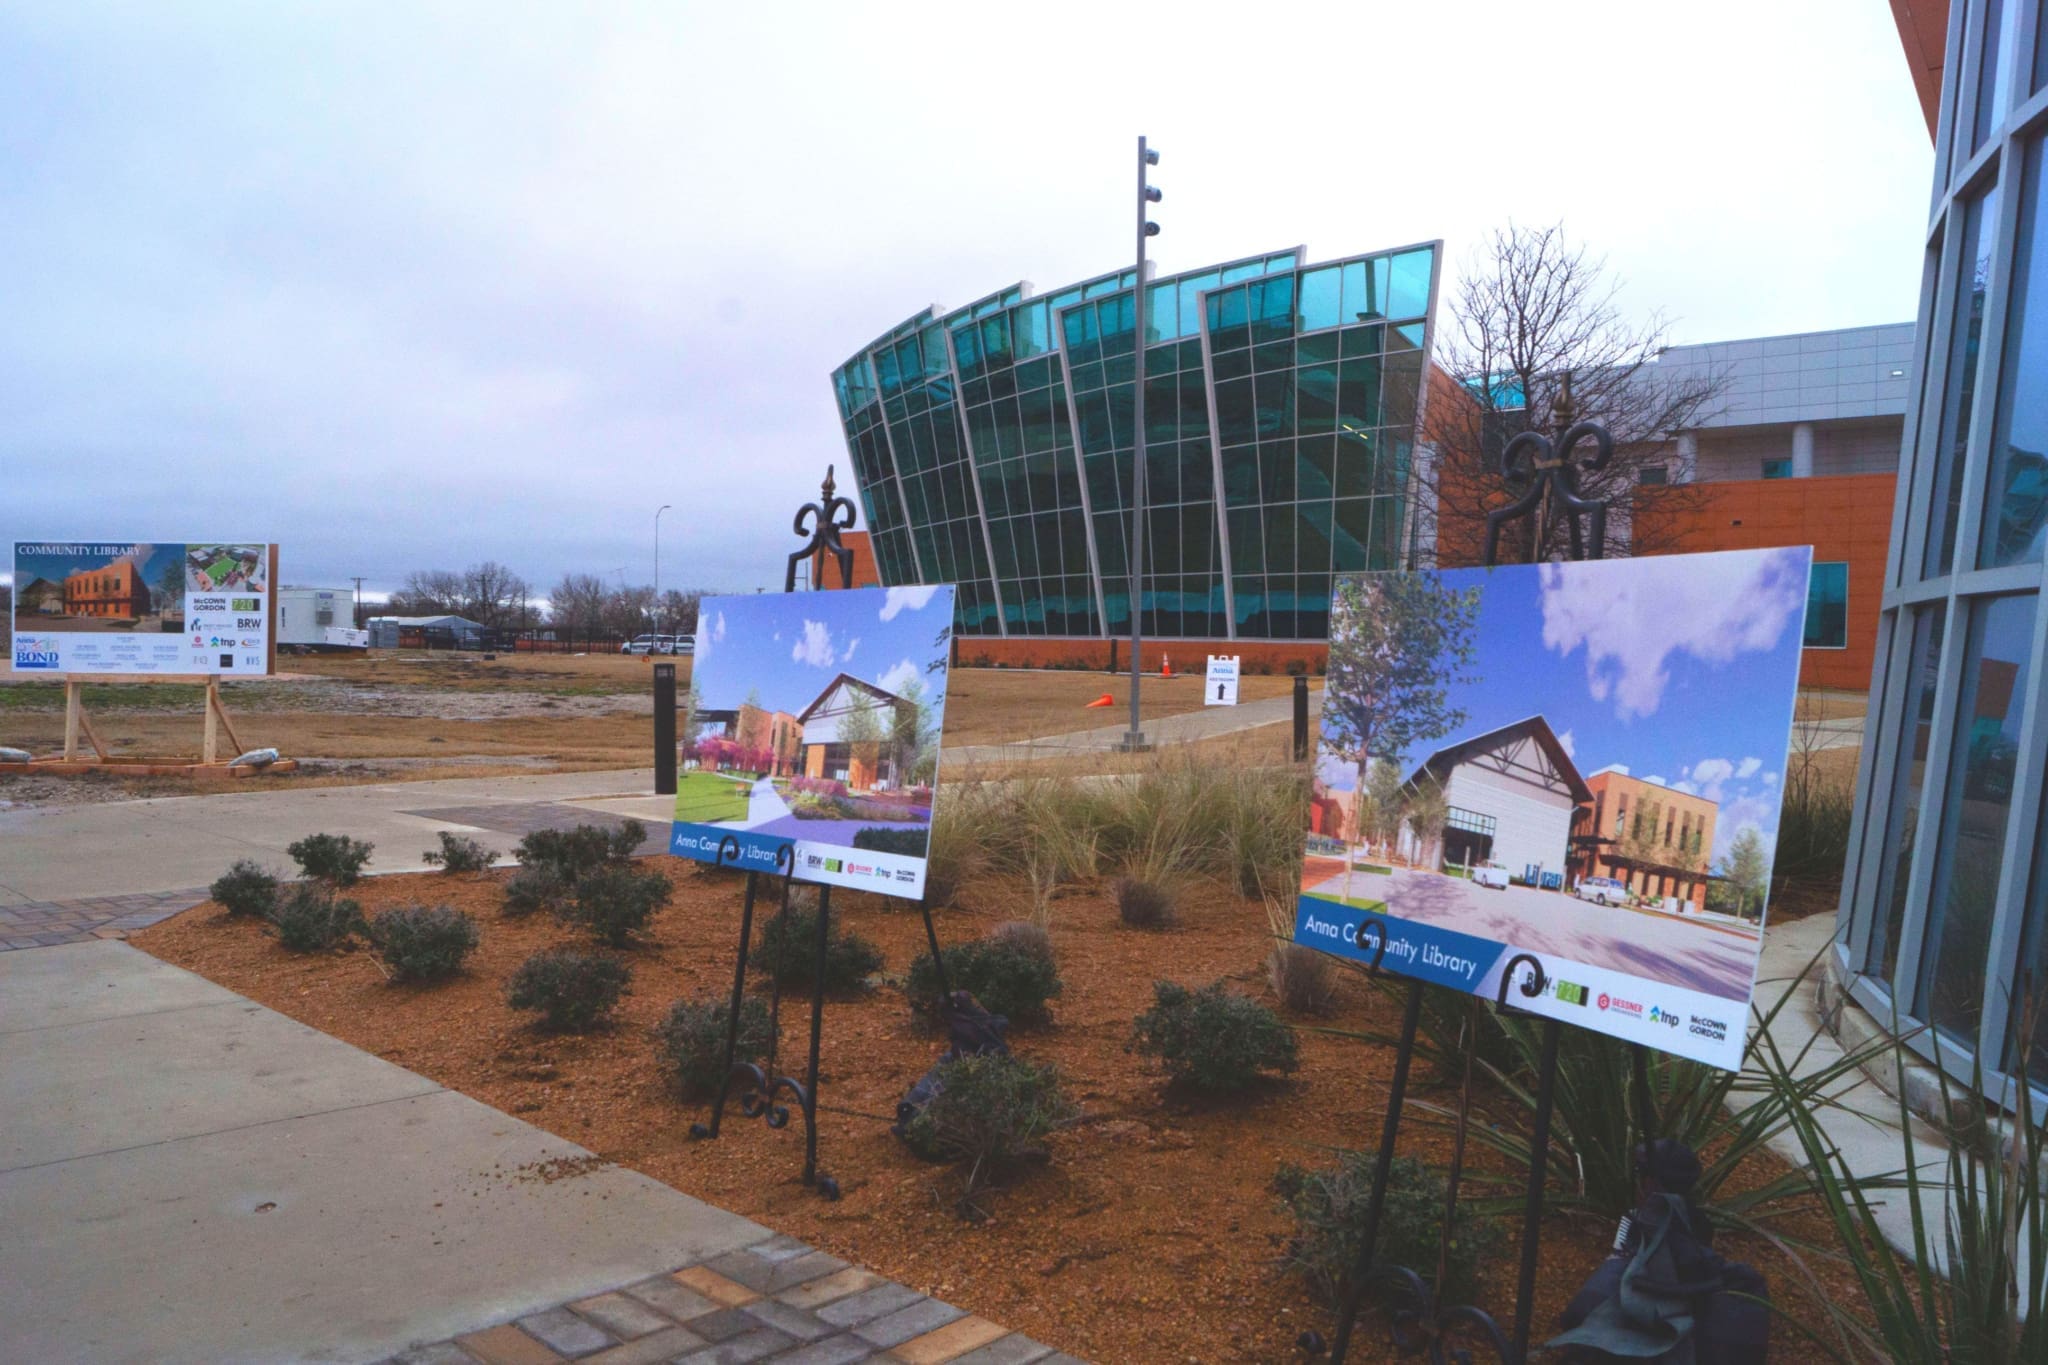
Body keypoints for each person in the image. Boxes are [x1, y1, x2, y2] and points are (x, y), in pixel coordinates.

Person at [1548, 1138, 1769, 1363]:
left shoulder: (1637, 1220)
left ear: (1649, 1182)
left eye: (1638, 1173)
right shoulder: (1698, 1222)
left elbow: (1612, 1269)